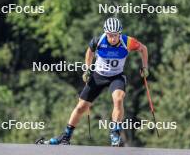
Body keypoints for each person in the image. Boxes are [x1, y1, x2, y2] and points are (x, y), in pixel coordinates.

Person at [49, 17, 149, 146]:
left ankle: (115, 131)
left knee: (118, 99)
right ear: (105, 33)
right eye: (110, 35)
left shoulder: (127, 41)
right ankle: (66, 135)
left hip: (116, 76)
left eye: (115, 35)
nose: (113, 38)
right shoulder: (98, 41)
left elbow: (143, 49)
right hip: (98, 76)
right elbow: (89, 52)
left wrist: (145, 67)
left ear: (120, 33)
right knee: (81, 107)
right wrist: (87, 69)